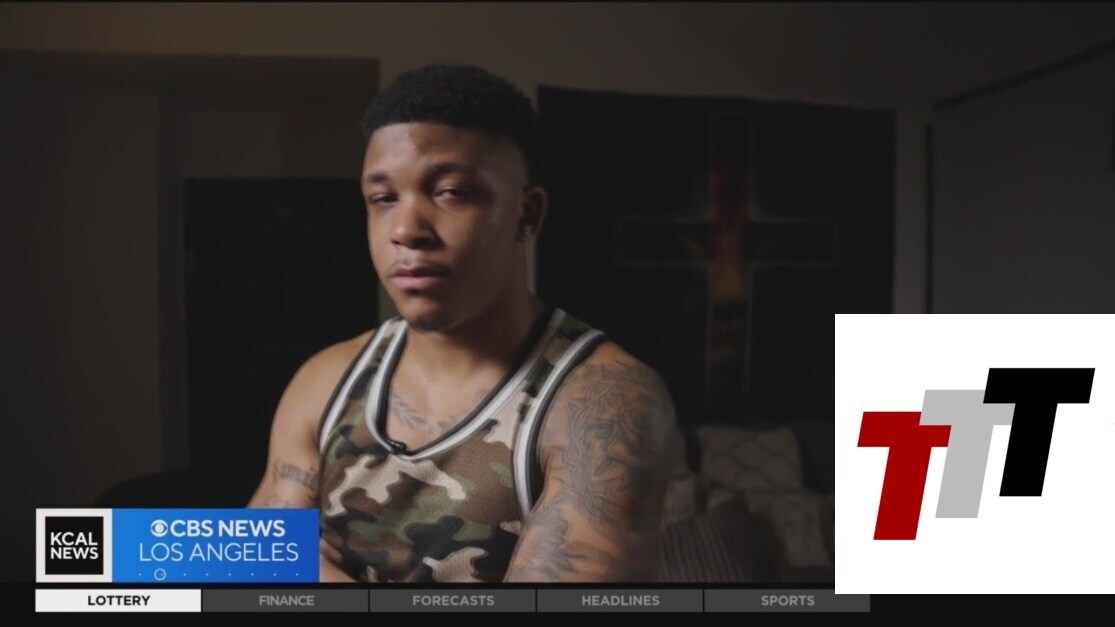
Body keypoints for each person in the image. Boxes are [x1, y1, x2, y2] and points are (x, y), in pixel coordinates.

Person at [247, 64, 677, 583]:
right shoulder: (326, 379)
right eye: (384, 199)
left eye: (450, 191)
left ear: (527, 215)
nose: (407, 230)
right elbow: (246, 563)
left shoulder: (605, 401)